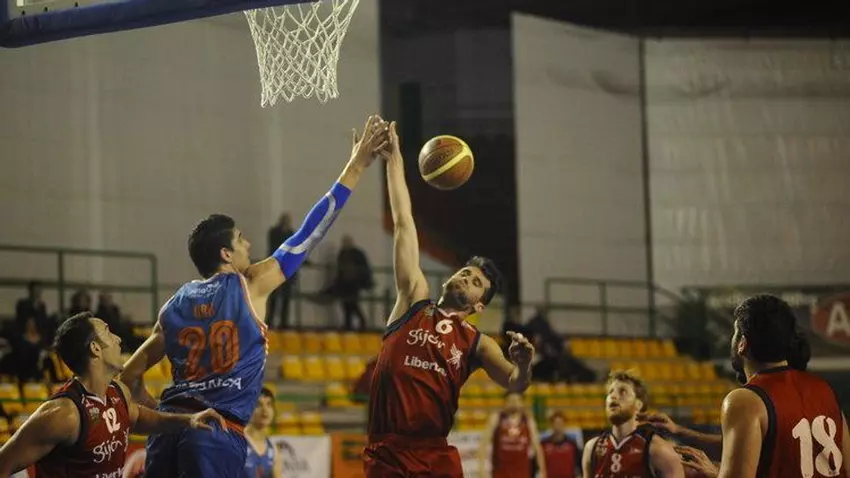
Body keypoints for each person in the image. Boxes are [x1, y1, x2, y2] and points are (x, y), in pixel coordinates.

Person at [118, 114, 390, 478]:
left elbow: (129, 375)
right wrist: (356, 166)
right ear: (226, 254)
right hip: (215, 431)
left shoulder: (173, 306)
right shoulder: (251, 283)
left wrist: (164, 417)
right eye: (241, 239)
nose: (248, 244)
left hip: (167, 434)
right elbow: (310, 233)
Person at [362, 121, 536, 478]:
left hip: (434, 456)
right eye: (465, 272)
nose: (466, 278)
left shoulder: (478, 343)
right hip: (387, 453)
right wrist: (394, 159)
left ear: (478, 305)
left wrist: (524, 363)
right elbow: (403, 222)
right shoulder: (413, 300)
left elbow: (515, 383)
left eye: (476, 282)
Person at [0, 312, 225, 477]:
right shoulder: (63, 415)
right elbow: (4, 463)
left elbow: (139, 418)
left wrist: (189, 420)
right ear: (95, 348)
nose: (118, 339)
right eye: (108, 332)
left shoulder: (118, 392)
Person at [675, 294, 850, 478]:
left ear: (742, 343)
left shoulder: (746, 400)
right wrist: (680, 432)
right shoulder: (824, 389)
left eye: (734, 333)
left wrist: (714, 474)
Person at [581, 371, 684, 478]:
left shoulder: (659, 450)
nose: (613, 396)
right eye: (610, 392)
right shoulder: (592, 448)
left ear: (638, 404)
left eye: (623, 392)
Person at [479, 392, 546, 478]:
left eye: (517, 400)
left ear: (522, 403)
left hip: (522, 473)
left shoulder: (528, 421)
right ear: (505, 403)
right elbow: (483, 445)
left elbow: (537, 447)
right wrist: (481, 469)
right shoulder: (496, 418)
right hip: (500, 474)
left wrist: (542, 471)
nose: (514, 403)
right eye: (510, 400)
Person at [244, 387, 282, 478]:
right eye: (259, 404)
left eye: (269, 404)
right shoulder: (235, 441)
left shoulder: (274, 450)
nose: (265, 410)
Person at [541, 411, 581, 478]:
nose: (558, 426)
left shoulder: (572, 443)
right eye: (556, 423)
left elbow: (578, 464)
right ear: (551, 425)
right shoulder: (544, 444)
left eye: (560, 423)